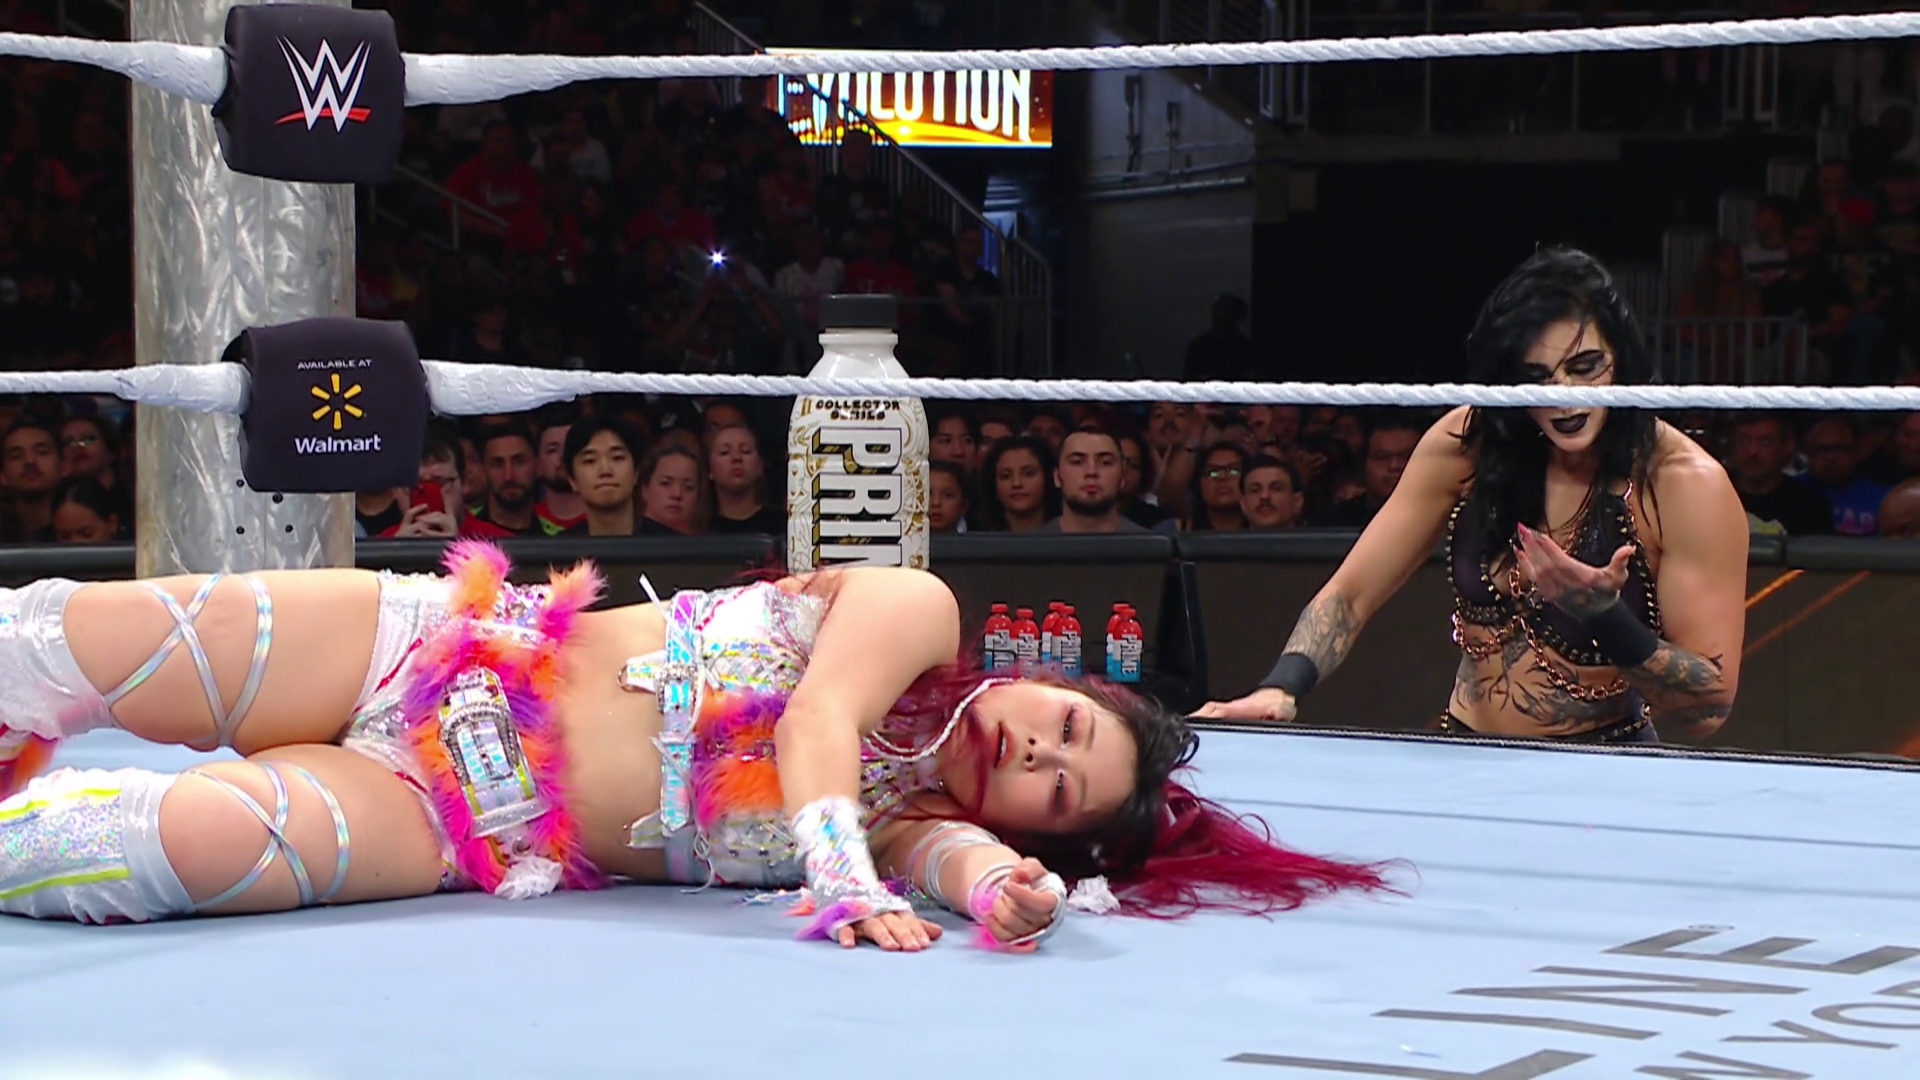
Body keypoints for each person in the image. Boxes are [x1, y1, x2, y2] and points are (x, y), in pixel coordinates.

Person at [0, 543, 1394, 950]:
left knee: (179, 843)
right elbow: (817, 721)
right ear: (1051, 682)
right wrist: (839, 878)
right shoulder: (917, 612)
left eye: (1057, 792)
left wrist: (1006, 895)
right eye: (1066, 727)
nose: (1036, 754)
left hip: (448, 818)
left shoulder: (913, 832)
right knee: (75, 641)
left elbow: (955, 870)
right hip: (429, 648)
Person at [1197, 248, 1748, 744]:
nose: (1563, 396)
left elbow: (1708, 710)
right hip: (1466, 754)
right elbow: (1351, 594)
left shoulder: (1680, 483)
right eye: (1537, 376)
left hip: (1604, 764)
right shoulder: (1470, 443)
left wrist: (1604, 618)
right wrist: (1282, 686)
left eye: (1584, 367)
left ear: (1621, 359)